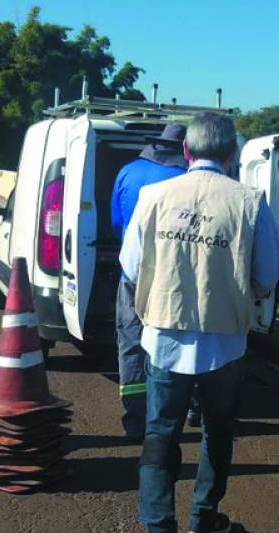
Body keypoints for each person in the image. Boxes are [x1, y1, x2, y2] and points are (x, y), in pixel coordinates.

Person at [120, 112, 279, 533]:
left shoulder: (154, 197)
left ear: (186, 153)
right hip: (224, 343)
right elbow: (267, 277)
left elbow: (131, 268)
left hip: (164, 339)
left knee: (160, 436)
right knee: (217, 430)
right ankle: (204, 520)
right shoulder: (250, 203)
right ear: (232, 157)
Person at [112, 124, 188, 439]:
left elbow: (117, 223)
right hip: (175, 274)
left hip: (133, 271)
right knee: (177, 339)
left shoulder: (127, 171)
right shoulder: (187, 180)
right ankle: (186, 409)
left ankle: (135, 416)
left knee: (131, 338)